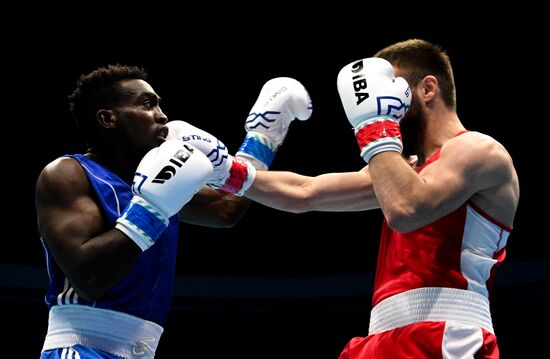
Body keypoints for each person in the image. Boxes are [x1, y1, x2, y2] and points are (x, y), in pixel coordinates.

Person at [242, 39, 519, 358]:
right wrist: (226, 170)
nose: (387, 104)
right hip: (380, 339)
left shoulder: (480, 150)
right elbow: (306, 192)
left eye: (393, 91)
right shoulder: (404, 167)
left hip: (448, 336)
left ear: (428, 88)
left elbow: (406, 210)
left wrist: (374, 125)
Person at [35, 64, 311, 358]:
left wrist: (263, 132)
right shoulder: (68, 173)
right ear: (108, 118)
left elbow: (226, 208)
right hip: (81, 347)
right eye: (147, 104)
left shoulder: (159, 177)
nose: (162, 115)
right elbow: (89, 279)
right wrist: (153, 206)